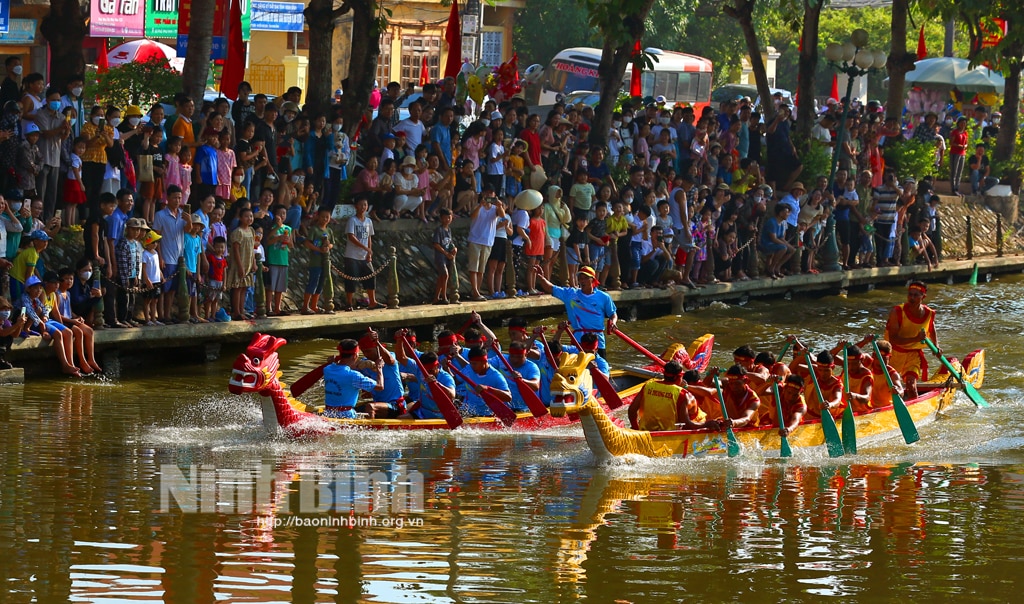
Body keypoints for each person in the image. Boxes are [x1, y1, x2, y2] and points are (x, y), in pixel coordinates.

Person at [534, 265, 617, 357]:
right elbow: (551, 288)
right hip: (578, 340)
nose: (582, 281)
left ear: (593, 280)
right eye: (580, 278)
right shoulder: (570, 294)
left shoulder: (604, 297)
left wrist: (613, 322)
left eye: (585, 278)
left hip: (597, 341)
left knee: (601, 367)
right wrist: (542, 278)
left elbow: (613, 314)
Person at [884, 281, 936, 399]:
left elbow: (932, 328)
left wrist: (936, 346)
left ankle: (914, 406)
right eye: (910, 295)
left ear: (923, 297)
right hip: (894, 353)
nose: (911, 298)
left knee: (911, 385)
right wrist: (916, 339)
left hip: (913, 354)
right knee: (889, 387)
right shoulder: (896, 312)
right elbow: (893, 339)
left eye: (915, 295)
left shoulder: (929, 313)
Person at [628, 361, 712, 431]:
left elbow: (632, 410)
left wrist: (636, 428)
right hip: (669, 436)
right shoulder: (684, 394)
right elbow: (687, 424)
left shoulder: (648, 386)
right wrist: (707, 424)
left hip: (645, 432)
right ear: (680, 377)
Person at [323, 339, 383, 419]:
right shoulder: (354, 376)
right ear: (355, 355)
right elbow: (380, 387)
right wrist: (379, 369)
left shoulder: (327, 369)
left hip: (328, 413)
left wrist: (333, 362)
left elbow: (339, 370)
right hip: (346, 415)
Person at [355, 331, 405, 419]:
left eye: (368, 351)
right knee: (352, 411)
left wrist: (376, 342)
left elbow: (390, 359)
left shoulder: (389, 358)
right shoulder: (365, 363)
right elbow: (348, 370)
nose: (366, 354)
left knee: (370, 407)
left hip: (396, 405)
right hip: (380, 405)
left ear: (376, 348)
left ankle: (371, 431)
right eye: (364, 352)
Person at [398, 350, 457, 420]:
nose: (427, 374)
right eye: (425, 371)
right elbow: (401, 358)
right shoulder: (419, 370)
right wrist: (399, 340)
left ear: (437, 366)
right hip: (423, 412)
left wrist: (437, 383)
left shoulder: (446, 377)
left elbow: (452, 395)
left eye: (430, 371)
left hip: (440, 415)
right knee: (400, 418)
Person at [458, 346, 513, 417]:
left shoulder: (496, 376)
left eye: (474, 364)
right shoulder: (468, 369)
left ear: (484, 361)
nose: (471, 366)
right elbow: (454, 382)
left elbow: (508, 397)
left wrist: (488, 389)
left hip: (487, 415)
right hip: (467, 412)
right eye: (471, 363)